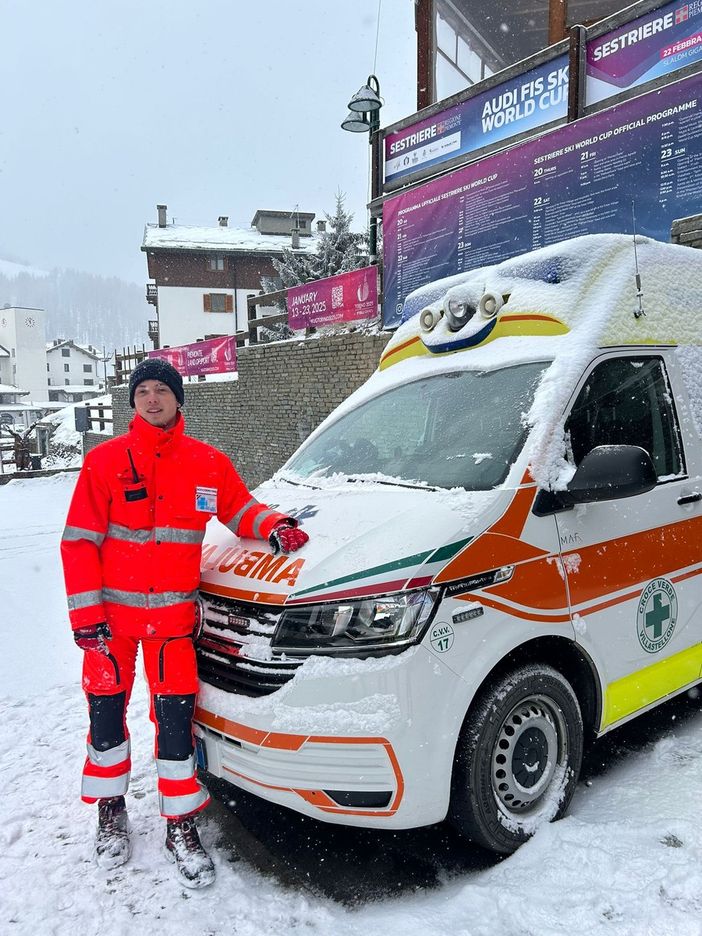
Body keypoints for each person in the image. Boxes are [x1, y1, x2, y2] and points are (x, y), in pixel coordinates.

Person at [60, 358, 309, 888]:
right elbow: (79, 540)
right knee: (105, 721)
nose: (152, 399)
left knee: (176, 725)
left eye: (162, 390)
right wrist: (86, 619)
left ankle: (181, 824)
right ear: (133, 402)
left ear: (179, 399)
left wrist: (276, 526)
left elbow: (240, 509)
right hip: (112, 629)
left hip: (173, 626)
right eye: (143, 391)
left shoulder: (206, 463)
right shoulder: (104, 462)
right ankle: (110, 811)